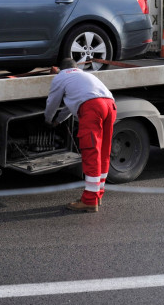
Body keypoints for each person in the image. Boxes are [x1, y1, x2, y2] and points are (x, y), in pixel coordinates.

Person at [45, 58, 116, 213]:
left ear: (60, 69)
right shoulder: (84, 76)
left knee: (91, 152)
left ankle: (89, 201)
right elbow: (72, 104)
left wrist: (48, 120)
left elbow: (53, 102)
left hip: (92, 108)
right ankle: (97, 195)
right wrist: (59, 120)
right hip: (110, 105)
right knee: (103, 151)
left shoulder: (61, 77)